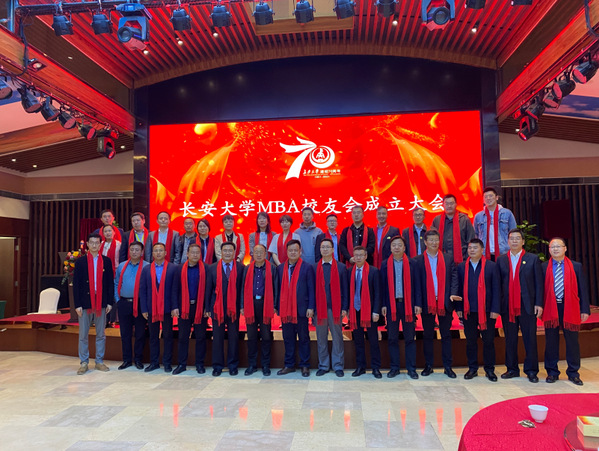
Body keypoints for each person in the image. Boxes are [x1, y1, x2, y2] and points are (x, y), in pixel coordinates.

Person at [496, 228, 543, 383]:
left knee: (530, 339)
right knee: (510, 339)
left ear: (523, 241)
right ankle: (512, 369)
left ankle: (531, 370)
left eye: (517, 238)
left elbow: (539, 283)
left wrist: (539, 303)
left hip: (527, 305)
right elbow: (498, 285)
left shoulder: (532, 259)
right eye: (512, 238)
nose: (514, 241)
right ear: (508, 241)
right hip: (508, 306)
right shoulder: (501, 260)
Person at [542, 237, 590, 386]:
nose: (555, 249)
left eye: (558, 246)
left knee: (572, 341)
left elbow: (583, 288)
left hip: (570, 307)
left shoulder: (576, 266)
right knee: (551, 341)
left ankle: (573, 373)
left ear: (565, 248)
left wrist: (585, 309)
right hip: (551, 308)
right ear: (549, 250)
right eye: (552, 247)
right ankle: (552, 372)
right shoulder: (544, 267)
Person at [451, 239, 501, 381]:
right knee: (470, 341)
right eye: (470, 248)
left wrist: (495, 309)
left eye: (475, 247)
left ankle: (489, 370)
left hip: (487, 311)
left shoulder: (491, 266)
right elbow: (458, 288)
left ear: (482, 249)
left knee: (488, 341)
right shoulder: (462, 267)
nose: (472, 250)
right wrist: (459, 308)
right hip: (468, 311)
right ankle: (472, 368)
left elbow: (497, 289)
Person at [414, 229, 458, 378]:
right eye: (431, 240)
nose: (434, 243)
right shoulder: (418, 260)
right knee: (428, 335)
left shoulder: (448, 258)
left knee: (446, 335)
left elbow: (454, 278)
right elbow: (417, 284)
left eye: (436, 240)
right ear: (425, 242)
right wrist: (418, 303)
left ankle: (448, 366)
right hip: (427, 303)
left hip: (444, 302)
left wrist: (452, 294)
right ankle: (428, 365)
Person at [73, 233, 114, 375]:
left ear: (101, 244)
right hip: (85, 302)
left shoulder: (106, 261)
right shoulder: (80, 262)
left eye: (97, 242)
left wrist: (109, 302)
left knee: (101, 334)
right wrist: (77, 304)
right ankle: (84, 362)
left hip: (101, 301)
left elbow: (110, 283)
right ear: (88, 245)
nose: (94, 245)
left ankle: (99, 361)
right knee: (83, 334)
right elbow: (76, 284)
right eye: (92, 242)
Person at [276, 239, 315, 377]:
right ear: (286, 252)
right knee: (288, 338)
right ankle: (289, 364)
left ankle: (305, 365)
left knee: (304, 338)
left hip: (302, 309)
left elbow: (311, 288)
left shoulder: (307, 267)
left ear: (300, 251)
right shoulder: (280, 268)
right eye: (290, 250)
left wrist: (311, 306)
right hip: (286, 310)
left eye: (295, 250)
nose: (293, 252)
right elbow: (277, 289)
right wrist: (277, 306)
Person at [380, 236, 418, 379]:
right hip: (391, 306)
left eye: (399, 245)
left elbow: (418, 285)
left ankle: (411, 369)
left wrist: (417, 304)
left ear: (404, 248)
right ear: (390, 248)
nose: (396, 247)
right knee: (392, 338)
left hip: (408, 305)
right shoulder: (385, 264)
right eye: (394, 245)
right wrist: (383, 304)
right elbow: (383, 287)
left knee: (410, 338)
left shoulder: (413, 263)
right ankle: (394, 368)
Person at [206, 241, 244, 376]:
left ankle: (233, 365)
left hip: (234, 309)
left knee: (233, 337)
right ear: (221, 252)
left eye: (230, 251)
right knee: (217, 338)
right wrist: (207, 308)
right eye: (225, 250)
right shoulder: (212, 268)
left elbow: (242, 289)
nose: (227, 253)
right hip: (217, 308)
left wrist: (242, 306)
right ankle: (217, 366)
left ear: (234, 253)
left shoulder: (241, 268)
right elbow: (208, 289)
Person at [140, 242, 179, 373]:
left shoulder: (173, 268)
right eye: (156, 250)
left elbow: (175, 289)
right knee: (153, 336)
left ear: (166, 253)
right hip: (151, 308)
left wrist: (175, 306)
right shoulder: (146, 269)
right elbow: (143, 290)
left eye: (160, 250)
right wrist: (144, 308)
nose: (158, 253)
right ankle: (154, 362)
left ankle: (167, 363)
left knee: (167, 336)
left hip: (168, 308)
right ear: (152, 253)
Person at [172, 243, 211, 375]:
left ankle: (200, 364)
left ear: (200, 254)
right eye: (192, 252)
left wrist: (207, 307)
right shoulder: (179, 269)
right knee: (183, 337)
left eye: (197, 252)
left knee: (201, 337)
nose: (195, 255)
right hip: (184, 307)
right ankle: (181, 364)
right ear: (187, 254)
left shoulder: (206, 268)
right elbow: (174, 289)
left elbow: (209, 290)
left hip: (200, 308)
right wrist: (175, 306)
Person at [313, 238, 348, 377]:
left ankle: (338, 365)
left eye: (328, 247)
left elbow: (345, 289)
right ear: (320, 250)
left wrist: (344, 307)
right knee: (321, 338)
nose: (325, 249)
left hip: (336, 309)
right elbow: (311, 291)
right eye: (323, 247)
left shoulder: (341, 267)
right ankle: (323, 365)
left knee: (337, 338)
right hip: (319, 309)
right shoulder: (314, 267)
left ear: (333, 250)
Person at [241, 244, 278, 376]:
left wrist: (274, 305)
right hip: (250, 304)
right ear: (252, 253)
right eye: (256, 252)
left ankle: (265, 365)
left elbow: (276, 288)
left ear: (266, 253)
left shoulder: (272, 268)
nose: (258, 254)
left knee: (266, 336)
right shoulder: (247, 268)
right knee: (251, 336)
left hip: (265, 304)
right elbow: (242, 288)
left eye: (261, 251)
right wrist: (242, 306)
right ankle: (252, 364)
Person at [114, 241, 149, 370]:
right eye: (132, 249)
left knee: (140, 333)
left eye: (137, 250)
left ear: (142, 252)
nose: (134, 252)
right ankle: (127, 360)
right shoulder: (122, 266)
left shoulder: (147, 266)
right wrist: (118, 300)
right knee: (125, 334)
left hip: (140, 304)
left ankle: (138, 359)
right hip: (124, 303)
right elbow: (116, 283)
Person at [348, 246, 382, 378]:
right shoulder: (349, 272)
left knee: (373, 340)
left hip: (370, 311)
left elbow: (378, 293)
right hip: (355, 311)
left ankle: (375, 367)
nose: (358, 258)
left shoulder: (373, 271)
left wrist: (376, 311)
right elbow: (347, 292)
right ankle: (360, 367)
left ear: (366, 256)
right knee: (358, 341)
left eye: (361, 255)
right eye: (356, 255)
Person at [473, 187, 517, 261]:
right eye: (485, 197)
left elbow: (514, 232)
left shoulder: (507, 213)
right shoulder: (478, 216)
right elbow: (475, 235)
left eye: (490, 196)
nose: (488, 198)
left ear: (496, 197)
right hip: (484, 253)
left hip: (503, 252)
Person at [431, 194, 475, 264]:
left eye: (451, 203)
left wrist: (468, 258)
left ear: (456, 204)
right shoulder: (437, 220)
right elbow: (431, 240)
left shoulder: (464, 219)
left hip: (462, 259)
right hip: (441, 260)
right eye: (447, 204)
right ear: (443, 205)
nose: (449, 206)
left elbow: (471, 239)